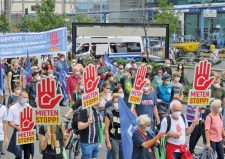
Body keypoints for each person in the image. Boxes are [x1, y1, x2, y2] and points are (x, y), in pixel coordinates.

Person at [7, 90, 34, 159]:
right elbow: (9, 122)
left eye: (27, 97)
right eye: (24, 97)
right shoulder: (12, 108)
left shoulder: (28, 106)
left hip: (27, 132)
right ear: (19, 97)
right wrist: (17, 127)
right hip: (18, 131)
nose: (26, 99)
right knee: (18, 154)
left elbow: (32, 118)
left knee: (27, 155)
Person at [0, 92, 8, 159]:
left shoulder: (3, 108)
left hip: (0, 134)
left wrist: (6, 136)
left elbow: (5, 123)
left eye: (1, 98)